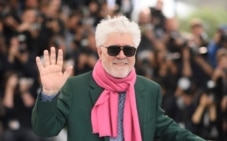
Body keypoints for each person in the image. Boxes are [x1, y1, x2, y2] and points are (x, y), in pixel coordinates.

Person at [31, 15, 205, 141]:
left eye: (129, 50)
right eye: (114, 50)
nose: (121, 56)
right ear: (100, 51)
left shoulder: (150, 89)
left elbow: (167, 128)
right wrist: (49, 94)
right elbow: (45, 129)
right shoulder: (76, 87)